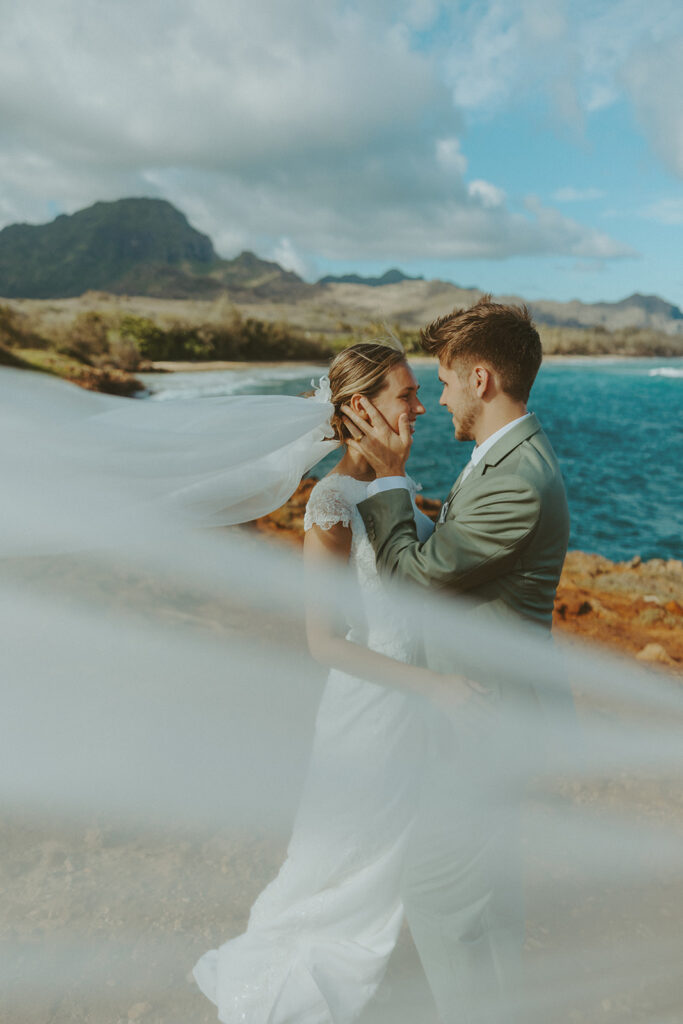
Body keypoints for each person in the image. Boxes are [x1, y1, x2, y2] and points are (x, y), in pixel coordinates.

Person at [192, 341, 486, 1024]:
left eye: (419, 392)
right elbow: (322, 642)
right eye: (406, 394)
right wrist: (434, 685)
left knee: (387, 855)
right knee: (336, 853)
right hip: (370, 711)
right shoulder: (329, 502)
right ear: (360, 405)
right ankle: (284, 977)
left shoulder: (401, 488)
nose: (420, 406)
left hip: (412, 703)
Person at [341, 296, 571, 1024]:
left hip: (487, 719)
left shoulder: (515, 477)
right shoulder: (500, 459)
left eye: (439, 382)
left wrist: (384, 480)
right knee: (487, 898)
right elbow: (454, 549)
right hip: (485, 711)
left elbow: (415, 581)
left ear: (480, 379)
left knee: (438, 892)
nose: (434, 399)